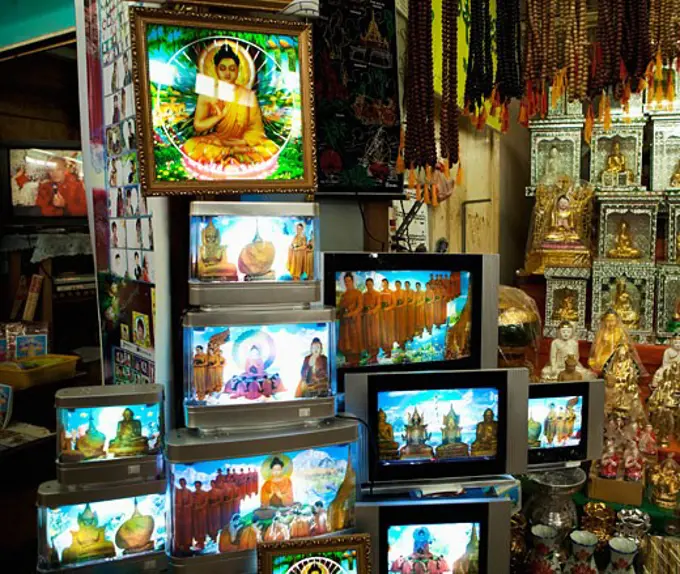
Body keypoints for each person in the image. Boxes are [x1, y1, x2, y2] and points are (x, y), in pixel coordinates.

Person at [182, 43, 278, 169]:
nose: (227, 73)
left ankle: (226, 155)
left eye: (232, 69)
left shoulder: (248, 95)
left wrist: (244, 141)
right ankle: (234, 155)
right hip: (218, 140)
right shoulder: (207, 93)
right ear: (215, 69)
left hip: (242, 142)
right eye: (223, 68)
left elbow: (256, 129)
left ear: (238, 70)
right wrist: (218, 117)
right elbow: (198, 126)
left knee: (271, 148)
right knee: (190, 145)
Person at [337, 273, 364, 366]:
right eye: (345, 281)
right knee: (346, 342)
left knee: (354, 343)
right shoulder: (344, 295)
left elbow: (360, 307)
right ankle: (348, 361)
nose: (347, 283)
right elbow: (341, 308)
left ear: (352, 281)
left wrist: (351, 313)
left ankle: (356, 363)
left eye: (349, 281)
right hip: (345, 324)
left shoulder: (358, 293)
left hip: (354, 322)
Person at [362, 278, 381, 364]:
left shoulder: (377, 294)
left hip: (374, 318)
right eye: (367, 284)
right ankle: (371, 356)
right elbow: (362, 306)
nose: (369, 286)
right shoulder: (364, 295)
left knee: (374, 336)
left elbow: (379, 305)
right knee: (368, 336)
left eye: (370, 284)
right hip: (366, 318)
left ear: (373, 284)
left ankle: (375, 356)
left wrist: (372, 311)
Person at [379, 278, 396, 358]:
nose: (384, 285)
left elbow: (394, 304)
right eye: (383, 284)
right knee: (383, 332)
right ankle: (385, 350)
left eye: (385, 283)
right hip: (382, 316)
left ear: (388, 284)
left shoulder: (392, 292)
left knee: (389, 333)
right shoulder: (380, 293)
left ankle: (389, 352)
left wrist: (388, 308)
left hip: (389, 315)